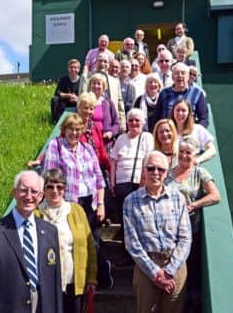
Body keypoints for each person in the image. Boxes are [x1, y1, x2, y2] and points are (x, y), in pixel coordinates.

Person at [0, 170, 63, 313]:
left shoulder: (50, 232)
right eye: (23, 190)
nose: (29, 196)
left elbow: (56, 284)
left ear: (41, 196)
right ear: (14, 193)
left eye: (34, 192)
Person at [42, 114, 113, 289]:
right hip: (70, 204)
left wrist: (101, 203)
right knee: (76, 241)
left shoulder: (87, 148)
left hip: (91, 202)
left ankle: (100, 275)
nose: (74, 133)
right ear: (64, 130)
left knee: (93, 241)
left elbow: (98, 178)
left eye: (77, 129)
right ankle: (82, 280)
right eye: (70, 129)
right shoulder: (56, 146)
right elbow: (49, 176)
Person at [123, 151, 192, 313]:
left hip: (176, 265)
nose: (155, 173)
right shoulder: (131, 201)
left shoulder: (178, 198)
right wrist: (156, 273)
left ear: (166, 173)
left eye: (160, 169)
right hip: (146, 266)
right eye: (151, 168)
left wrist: (169, 271)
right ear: (143, 171)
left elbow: (185, 238)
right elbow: (132, 243)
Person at [165, 138, 220, 312]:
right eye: (181, 151)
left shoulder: (199, 173)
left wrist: (194, 205)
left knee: (190, 272)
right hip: (167, 232)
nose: (184, 155)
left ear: (195, 154)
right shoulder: (168, 173)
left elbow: (215, 196)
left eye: (188, 152)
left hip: (189, 232)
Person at [37, 168, 97, 313]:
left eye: (59, 187)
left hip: (75, 281)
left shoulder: (76, 211)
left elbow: (89, 246)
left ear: (65, 189)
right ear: (43, 189)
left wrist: (92, 278)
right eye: (50, 186)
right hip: (47, 284)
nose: (55, 191)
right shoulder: (36, 214)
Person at [110, 108, 154, 264]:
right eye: (131, 120)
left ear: (143, 122)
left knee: (138, 220)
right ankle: (125, 254)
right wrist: (113, 182)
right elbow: (114, 162)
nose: (134, 123)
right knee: (125, 221)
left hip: (138, 184)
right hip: (122, 184)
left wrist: (144, 182)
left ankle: (140, 255)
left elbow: (148, 160)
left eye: (137, 120)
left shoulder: (147, 137)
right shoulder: (121, 138)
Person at [79, 52, 126, 132]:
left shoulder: (114, 81)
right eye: (100, 61)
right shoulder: (86, 78)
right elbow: (81, 99)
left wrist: (122, 122)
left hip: (111, 120)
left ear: (108, 64)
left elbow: (119, 102)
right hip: (91, 120)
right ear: (96, 62)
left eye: (105, 61)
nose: (102, 63)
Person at [155, 62, 208, 127]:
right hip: (169, 134)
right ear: (172, 77)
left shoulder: (197, 94)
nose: (180, 76)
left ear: (188, 76)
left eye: (183, 73)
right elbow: (157, 117)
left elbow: (203, 119)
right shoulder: (164, 93)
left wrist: (195, 132)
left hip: (189, 134)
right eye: (176, 73)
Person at [171, 99, 216, 164]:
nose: (180, 113)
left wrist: (197, 160)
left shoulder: (198, 129)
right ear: (173, 112)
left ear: (189, 113)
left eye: (183, 110)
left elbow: (212, 150)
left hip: (190, 170)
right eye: (177, 110)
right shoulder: (168, 130)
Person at [88, 73, 120, 145]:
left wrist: (111, 132)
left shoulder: (108, 102)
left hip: (105, 141)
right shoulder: (84, 101)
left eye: (99, 84)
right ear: (90, 85)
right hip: (88, 140)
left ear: (103, 87)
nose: (96, 86)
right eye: (94, 83)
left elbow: (116, 124)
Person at [51, 59, 80, 124]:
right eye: (71, 67)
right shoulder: (63, 80)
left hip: (77, 104)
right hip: (64, 103)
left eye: (75, 67)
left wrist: (77, 99)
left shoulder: (81, 81)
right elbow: (57, 93)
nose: (73, 69)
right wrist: (68, 95)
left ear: (78, 69)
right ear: (68, 69)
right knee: (54, 99)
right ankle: (55, 121)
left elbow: (85, 95)